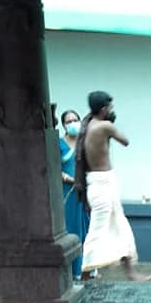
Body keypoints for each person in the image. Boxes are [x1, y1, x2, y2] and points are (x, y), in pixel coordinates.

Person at [74, 91, 149, 281]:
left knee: (120, 226)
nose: (112, 110)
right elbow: (125, 141)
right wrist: (112, 124)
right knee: (97, 231)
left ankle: (130, 272)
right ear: (103, 108)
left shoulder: (88, 124)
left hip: (99, 183)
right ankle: (84, 273)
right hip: (102, 184)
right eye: (110, 107)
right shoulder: (104, 126)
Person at [58, 108, 91, 279]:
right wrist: (68, 178)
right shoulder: (59, 144)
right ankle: (75, 271)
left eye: (75, 120)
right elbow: (53, 167)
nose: (72, 124)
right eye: (68, 121)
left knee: (87, 228)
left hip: (84, 192)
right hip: (68, 193)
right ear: (63, 125)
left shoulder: (84, 142)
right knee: (73, 229)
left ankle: (89, 267)